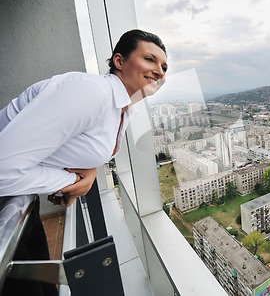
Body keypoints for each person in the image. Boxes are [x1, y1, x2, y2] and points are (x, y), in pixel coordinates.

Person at [0, 29, 168, 296]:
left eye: (164, 66)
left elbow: (71, 147)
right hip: (5, 205)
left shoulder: (122, 109)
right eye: (150, 59)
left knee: (46, 288)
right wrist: (73, 182)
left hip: (20, 200)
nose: (159, 71)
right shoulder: (92, 93)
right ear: (119, 61)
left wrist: (87, 173)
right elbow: (2, 169)